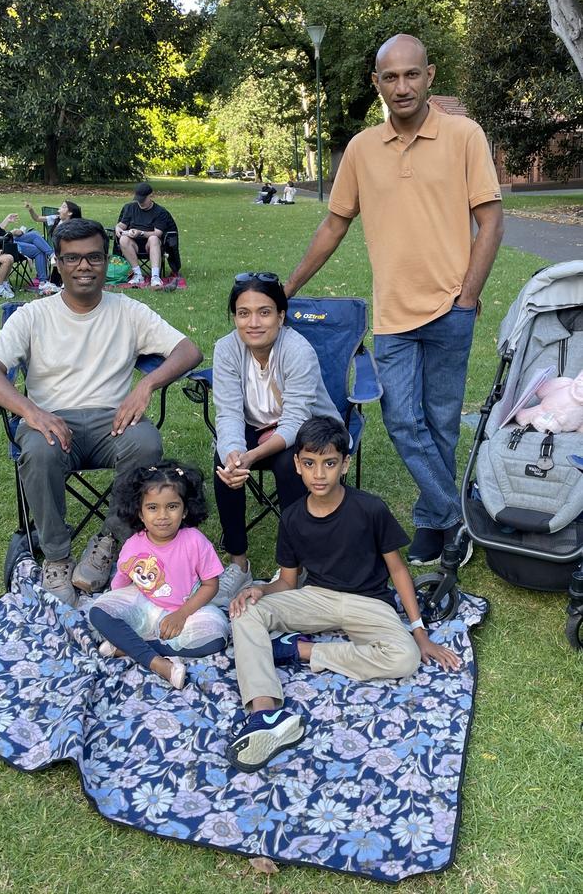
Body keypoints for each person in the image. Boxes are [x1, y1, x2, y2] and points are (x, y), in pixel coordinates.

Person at [284, 33, 504, 566]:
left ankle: (433, 522)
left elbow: (491, 220)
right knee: (402, 420)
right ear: (377, 83)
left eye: (411, 74)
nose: (402, 86)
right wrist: (286, 289)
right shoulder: (361, 149)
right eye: (391, 77)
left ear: (429, 76)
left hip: (452, 308)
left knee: (442, 423)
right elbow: (335, 224)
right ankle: (457, 516)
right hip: (393, 317)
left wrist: (467, 296)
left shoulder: (463, 135)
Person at [0, 218, 203, 607]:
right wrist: (30, 410)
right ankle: (57, 557)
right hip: (51, 420)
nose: (83, 266)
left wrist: (145, 385)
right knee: (40, 452)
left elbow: (188, 351)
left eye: (93, 257)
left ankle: (109, 541)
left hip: (112, 421)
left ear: (106, 259)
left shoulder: (129, 311)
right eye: (72, 258)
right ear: (57, 264)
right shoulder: (33, 315)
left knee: (146, 442)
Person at [226, 416, 461, 772]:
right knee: (244, 612)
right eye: (309, 463)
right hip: (316, 597)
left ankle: (299, 650)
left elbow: (398, 569)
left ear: (345, 464)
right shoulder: (291, 517)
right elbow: (288, 581)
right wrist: (259, 590)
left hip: (369, 602)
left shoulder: (370, 508)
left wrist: (420, 632)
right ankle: (266, 715)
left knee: (405, 659)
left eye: (329, 463)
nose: (319, 474)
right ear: (297, 465)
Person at [212, 271, 341, 607]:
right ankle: (238, 563)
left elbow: (296, 420)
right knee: (222, 465)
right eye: (244, 313)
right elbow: (228, 415)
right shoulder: (226, 350)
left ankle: (295, 568)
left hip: (310, 428)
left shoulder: (298, 350)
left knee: (289, 463)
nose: (253, 322)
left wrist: (252, 456)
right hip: (256, 427)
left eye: (264, 312)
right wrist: (233, 456)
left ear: (281, 316)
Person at [89, 461, 229, 690]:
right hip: (145, 610)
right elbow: (121, 587)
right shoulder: (133, 545)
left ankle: (131, 647)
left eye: (172, 506)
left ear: (185, 510)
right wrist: (120, 610)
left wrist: (182, 614)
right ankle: (157, 663)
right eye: (153, 508)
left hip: (186, 611)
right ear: (140, 513)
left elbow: (211, 585)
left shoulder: (195, 541)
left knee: (216, 637)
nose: (162, 515)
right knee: (98, 612)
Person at [0, 187, 56, 295]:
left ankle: (51, 256)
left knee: (34, 235)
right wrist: (12, 233)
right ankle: (43, 281)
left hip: (5, 240)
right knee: (37, 250)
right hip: (1, 245)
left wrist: (7, 221)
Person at [114, 182, 181, 291]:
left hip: (151, 245)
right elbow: (122, 224)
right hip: (133, 245)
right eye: (138, 199)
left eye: (143, 199)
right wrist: (118, 228)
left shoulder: (160, 212)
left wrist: (140, 233)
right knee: (124, 239)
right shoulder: (130, 207)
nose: (140, 203)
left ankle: (155, 277)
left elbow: (158, 233)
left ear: (150, 196)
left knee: (153, 238)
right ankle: (138, 275)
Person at [24, 199, 83, 287]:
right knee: (35, 236)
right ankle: (51, 257)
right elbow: (37, 218)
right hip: (57, 252)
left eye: (63, 207)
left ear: (70, 213)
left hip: (68, 252)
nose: (59, 208)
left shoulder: (75, 226)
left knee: (35, 236)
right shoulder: (56, 218)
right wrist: (31, 209)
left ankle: (52, 278)